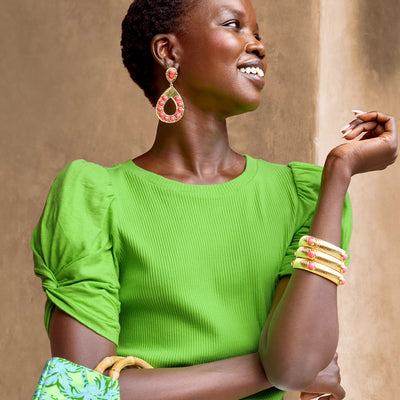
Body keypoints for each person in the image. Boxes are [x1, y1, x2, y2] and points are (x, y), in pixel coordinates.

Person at [31, 0, 397, 399]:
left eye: (257, 33)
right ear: (168, 51)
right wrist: (277, 369)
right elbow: (81, 392)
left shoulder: (303, 196)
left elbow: (295, 365)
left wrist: (340, 170)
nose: (257, 45)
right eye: (233, 25)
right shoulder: (95, 199)